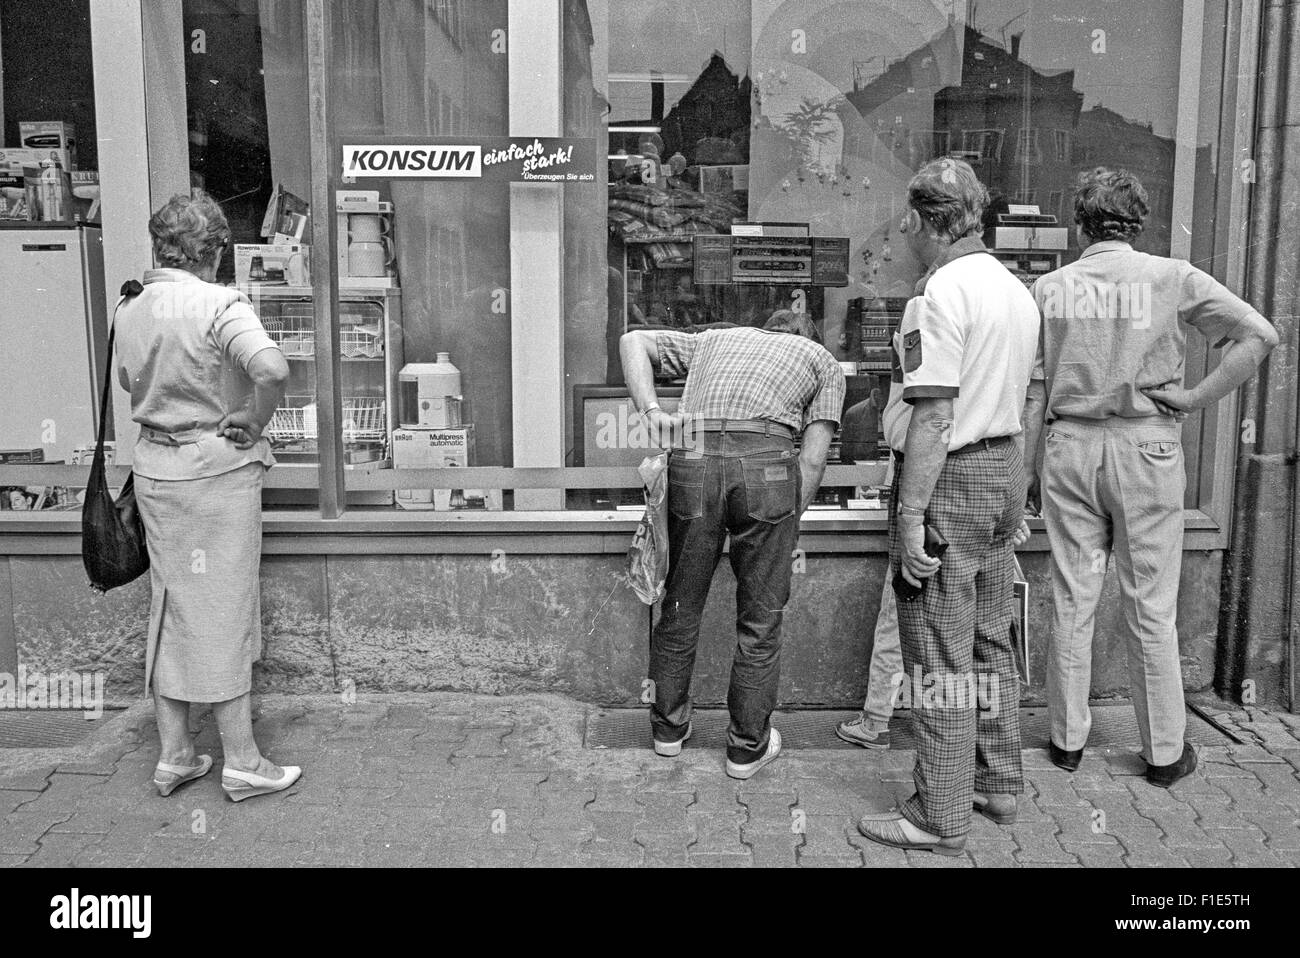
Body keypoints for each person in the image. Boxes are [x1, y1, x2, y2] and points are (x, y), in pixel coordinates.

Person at [1028, 168, 1279, 787]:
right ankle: (1164, 752)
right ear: (1138, 221)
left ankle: (1066, 741)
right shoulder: (1171, 276)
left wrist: (1033, 466)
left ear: (1081, 221)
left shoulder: (1050, 287)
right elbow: (1260, 335)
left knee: (1073, 595)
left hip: (1069, 446)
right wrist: (1195, 397)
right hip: (1147, 450)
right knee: (1149, 604)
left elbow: (1034, 388)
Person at [856, 158, 1038, 855]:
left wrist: (908, 516)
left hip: (952, 475)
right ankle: (999, 784)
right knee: (992, 636)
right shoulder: (1015, 292)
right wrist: (1020, 485)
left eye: (906, 223)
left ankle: (939, 814)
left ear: (921, 222)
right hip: (1003, 464)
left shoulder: (935, 297)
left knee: (937, 653)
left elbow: (932, 417)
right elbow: (1030, 400)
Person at [116, 190, 301, 802]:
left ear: (159, 246)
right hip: (215, 472)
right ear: (216, 249)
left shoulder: (131, 307)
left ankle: (174, 755)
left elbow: (127, 381)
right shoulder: (219, 303)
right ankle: (243, 760)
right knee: (223, 609)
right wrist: (251, 416)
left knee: (169, 605)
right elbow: (271, 369)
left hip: (155, 470)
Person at [620, 308, 845, 779]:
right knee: (760, 618)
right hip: (767, 463)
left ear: (765, 329)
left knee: (681, 604)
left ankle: (668, 732)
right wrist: (785, 522)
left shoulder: (713, 341)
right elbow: (815, 457)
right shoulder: (822, 360)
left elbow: (633, 340)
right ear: (807, 337)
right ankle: (745, 750)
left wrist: (652, 412)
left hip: (694, 457)